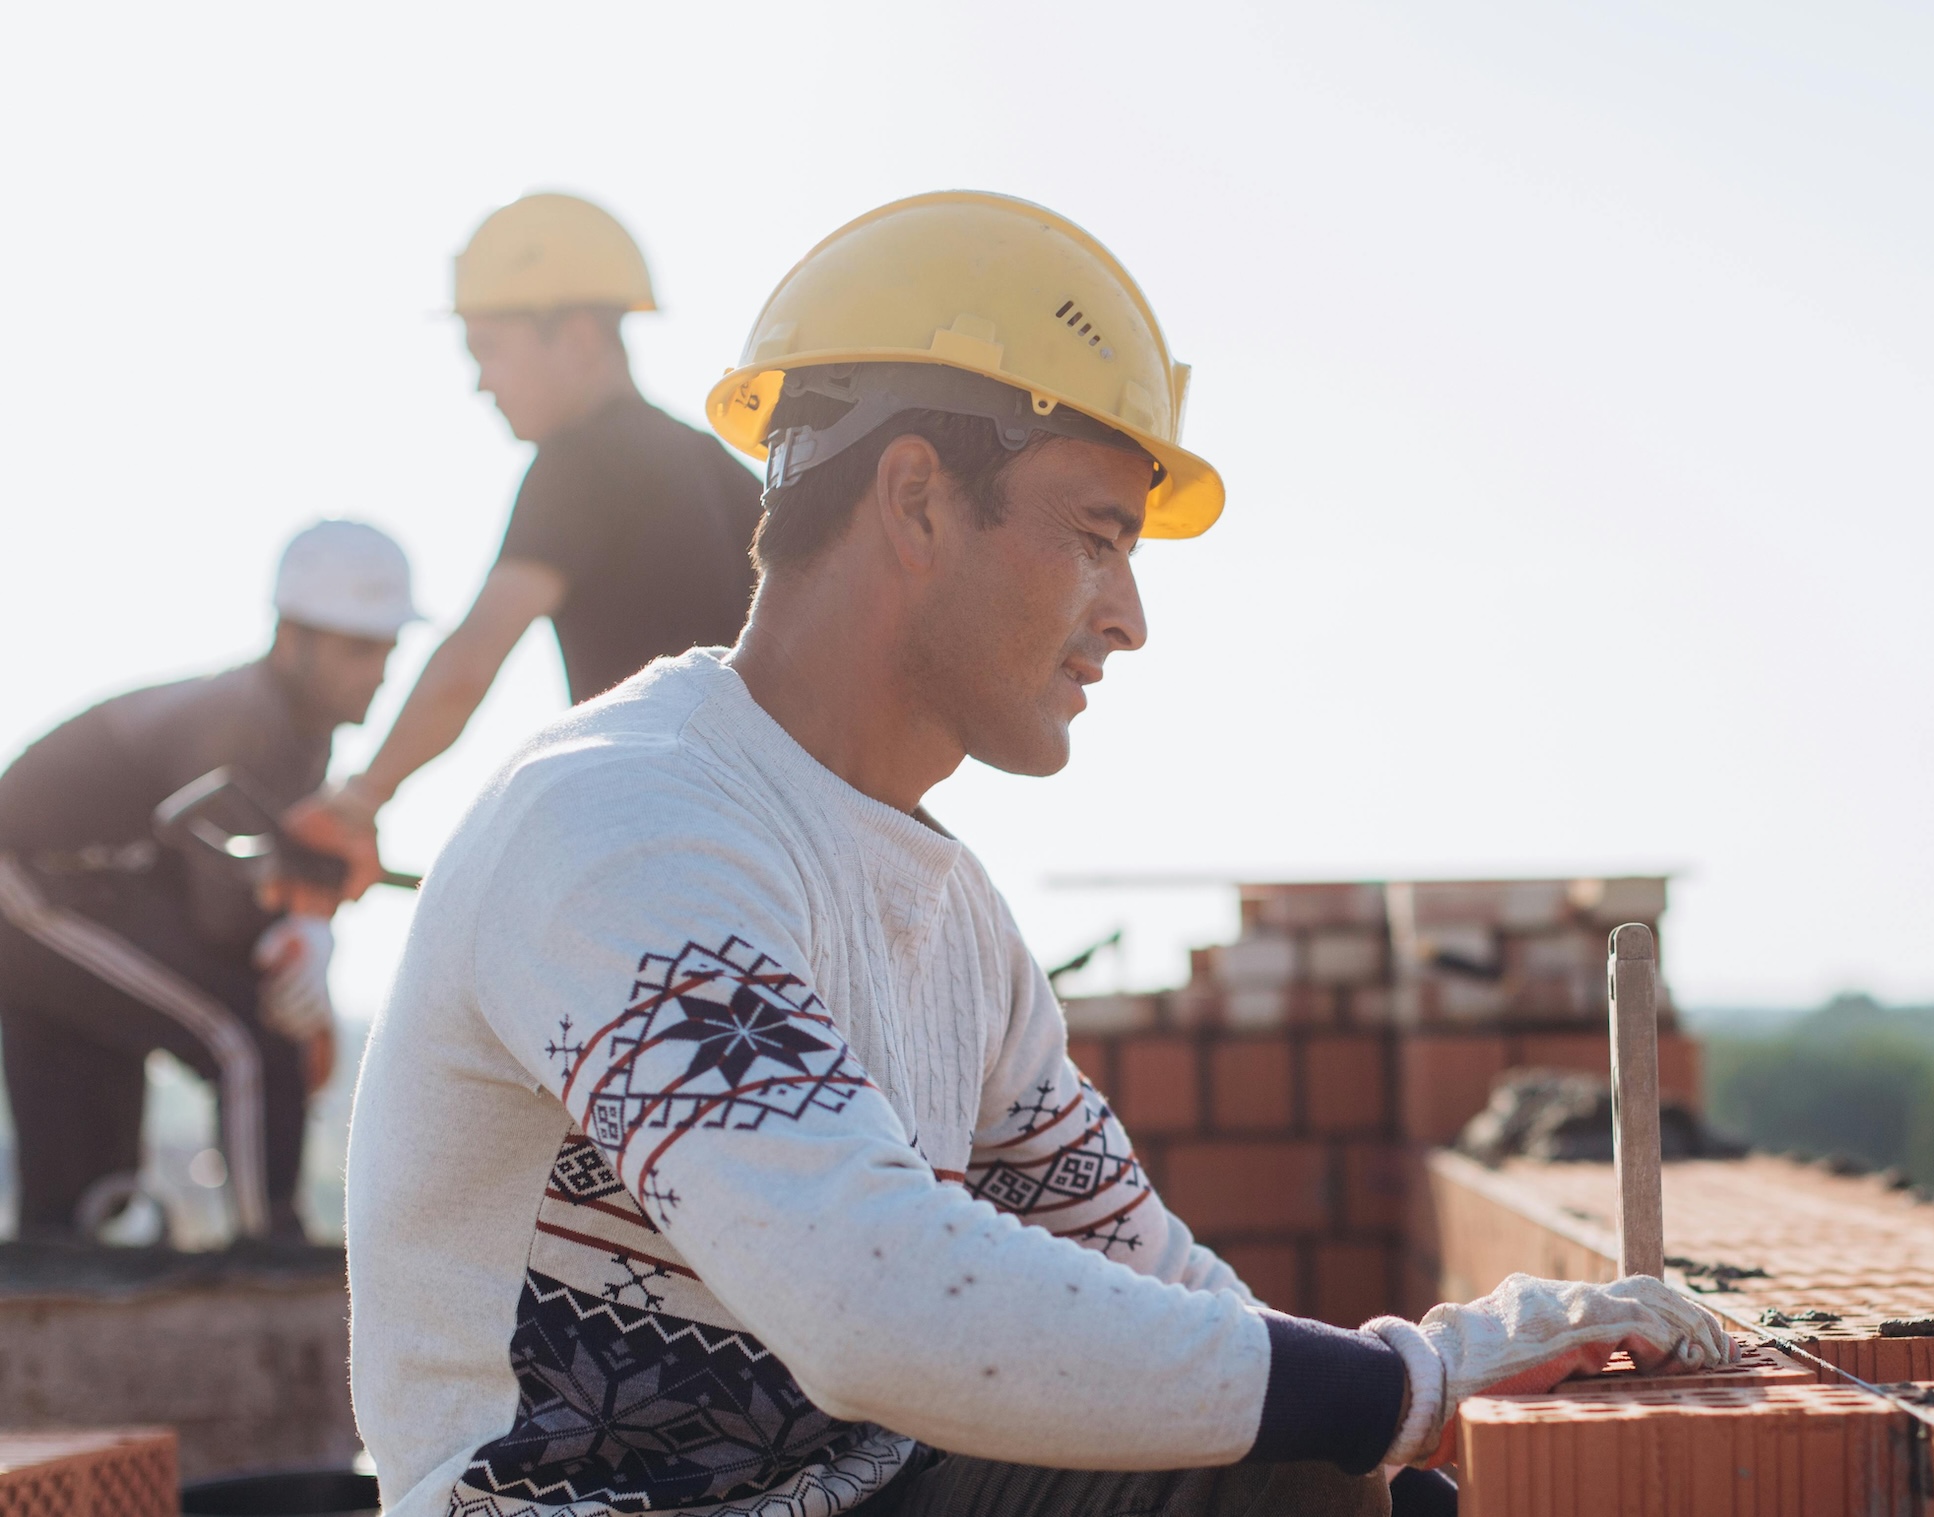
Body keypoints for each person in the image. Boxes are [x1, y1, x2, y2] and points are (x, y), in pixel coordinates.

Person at [345, 193, 1730, 1517]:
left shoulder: (956, 927)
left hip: (871, 1491)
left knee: (1306, 1474)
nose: (1128, 618)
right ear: (918, 499)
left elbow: (1163, 1303)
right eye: (1095, 537)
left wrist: (1449, 1416)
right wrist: (1401, 1382)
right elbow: (872, 1300)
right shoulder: (625, 823)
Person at [284, 193, 763, 896]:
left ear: (575, 336)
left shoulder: (579, 461)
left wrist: (359, 799)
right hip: (789, 841)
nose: (482, 382)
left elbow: (468, 666)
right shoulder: (720, 470)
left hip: (683, 850)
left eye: (490, 350)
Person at [0, 521, 418, 1242]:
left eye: (386, 649)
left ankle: (73, 1275)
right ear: (293, 640)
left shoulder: (303, 735)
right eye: (358, 649)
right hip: (33, 891)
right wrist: (304, 943)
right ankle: (274, 1260)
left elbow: (246, 891)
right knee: (247, 1040)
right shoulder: (240, 721)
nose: (378, 671)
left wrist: (306, 931)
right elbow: (226, 910)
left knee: (79, 1204)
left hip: (104, 896)